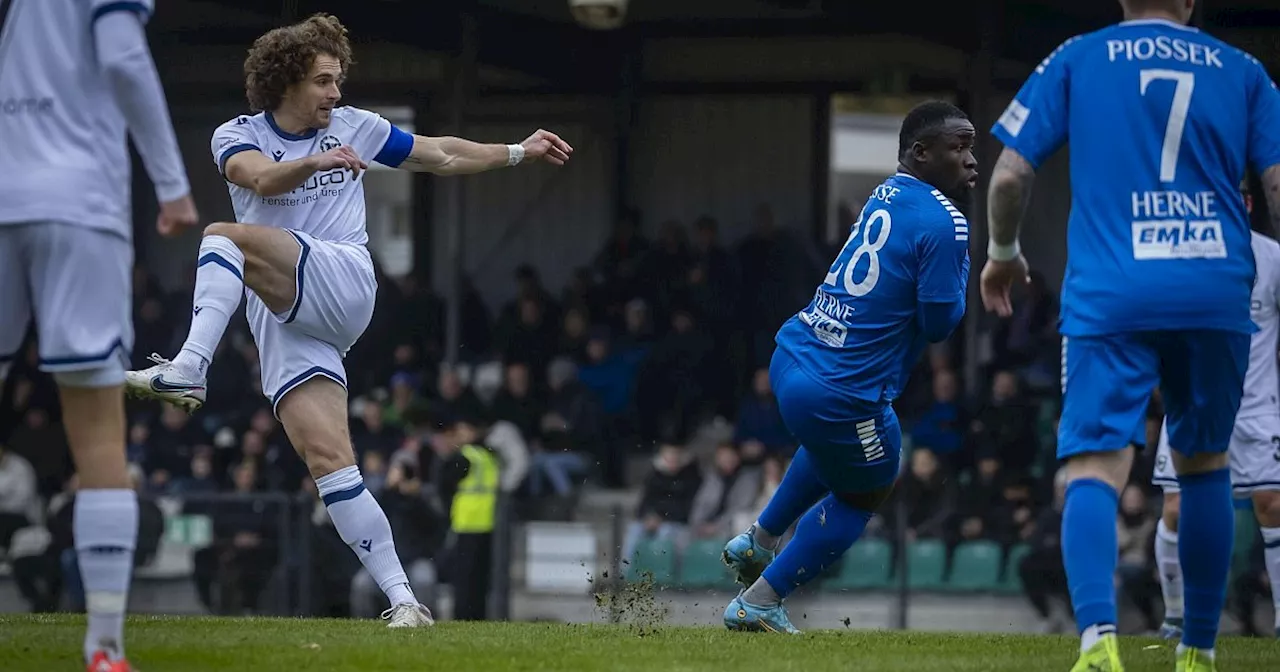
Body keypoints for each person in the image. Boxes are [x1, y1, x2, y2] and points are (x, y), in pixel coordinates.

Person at [124, 14, 571, 628]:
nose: (337, 93)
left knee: (222, 238)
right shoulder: (237, 133)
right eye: (325, 81)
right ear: (287, 83)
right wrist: (311, 165)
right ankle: (405, 601)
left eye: (338, 81)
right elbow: (255, 175)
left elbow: (438, 154)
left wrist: (518, 150)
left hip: (342, 281)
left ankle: (191, 367)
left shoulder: (357, 127)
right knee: (330, 462)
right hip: (283, 315)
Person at [982, 1, 1280, 669]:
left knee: (1094, 464)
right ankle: (1198, 652)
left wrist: (1003, 250)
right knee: (1204, 467)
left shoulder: (1078, 56)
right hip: (1213, 290)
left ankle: (1097, 643)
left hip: (1112, 290)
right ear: (1192, 0)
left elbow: (1008, 174)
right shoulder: (1244, 70)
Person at [721, 100, 976, 633]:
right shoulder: (947, 221)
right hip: (840, 389)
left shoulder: (888, 191)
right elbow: (938, 324)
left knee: (833, 450)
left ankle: (758, 540)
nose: (972, 160)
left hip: (793, 356)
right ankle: (761, 599)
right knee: (868, 485)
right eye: (960, 147)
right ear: (920, 153)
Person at [0, 1, 199, 670]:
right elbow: (122, 56)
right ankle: (104, 648)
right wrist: (173, 186)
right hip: (78, 204)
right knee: (97, 434)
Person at [1151, 179, 1280, 640]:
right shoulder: (1182, 252)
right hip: (1194, 398)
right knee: (1176, 507)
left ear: (1247, 203)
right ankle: (1175, 616)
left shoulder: (1272, 258)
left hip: (1256, 407)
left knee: (1272, 505)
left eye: (1242, 197)